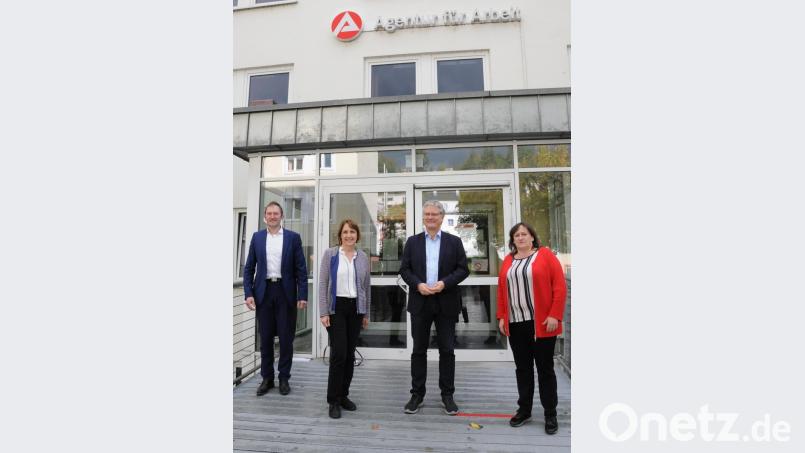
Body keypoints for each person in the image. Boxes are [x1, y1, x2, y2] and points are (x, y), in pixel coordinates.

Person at [400, 200, 469, 415]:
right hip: (420, 302)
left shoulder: (454, 242)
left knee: (447, 350)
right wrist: (418, 285)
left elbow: (463, 270)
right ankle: (417, 394)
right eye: (427, 214)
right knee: (418, 350)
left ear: (441, 217)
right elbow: (405, 270)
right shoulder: (412, 242)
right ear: (423, 217)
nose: (430, 217)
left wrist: (444, 283)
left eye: (434, 214)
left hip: (446, 301)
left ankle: (447, 395)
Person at [496, 222, 566, 434]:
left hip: (542, 323)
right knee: (523, 369)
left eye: (524, 234)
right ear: (513, 240)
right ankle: (524, 410)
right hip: (516, 323)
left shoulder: (545, 256)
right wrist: (501, 316)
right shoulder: (508, 260)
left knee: (545, 370)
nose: (520, 237)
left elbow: (559, 286)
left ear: (532, 237)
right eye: (516, 235)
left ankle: (550, 414)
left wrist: (555, 314)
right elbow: (501, 290)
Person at [243, 201, 308, 397]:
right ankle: (267, 378)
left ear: (282, 216)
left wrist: (302, 295)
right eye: (269, 213)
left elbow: (301, 271)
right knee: (266, 339)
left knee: (286, 339)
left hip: (285, 292)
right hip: (263, 292)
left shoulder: (293, 238)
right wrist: (248, 293)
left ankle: (284, 378)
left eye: (276, 213)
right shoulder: (257, 238)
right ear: (265, 216)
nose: (272, 216)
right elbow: (248, 269)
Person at [318, 219, 371, 419]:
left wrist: (366, 313)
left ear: (357, 235)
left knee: (349, 355)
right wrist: (323, 312)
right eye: (345, 232)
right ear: (340, 235)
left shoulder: (363, 257)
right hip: (336, 308)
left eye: (352, 232)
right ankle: (333, 400)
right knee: (338, 354)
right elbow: (323, 284)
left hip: (356, 309)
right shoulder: (330, 255)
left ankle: (343, 396)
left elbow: (367, 287)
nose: (349, 235)